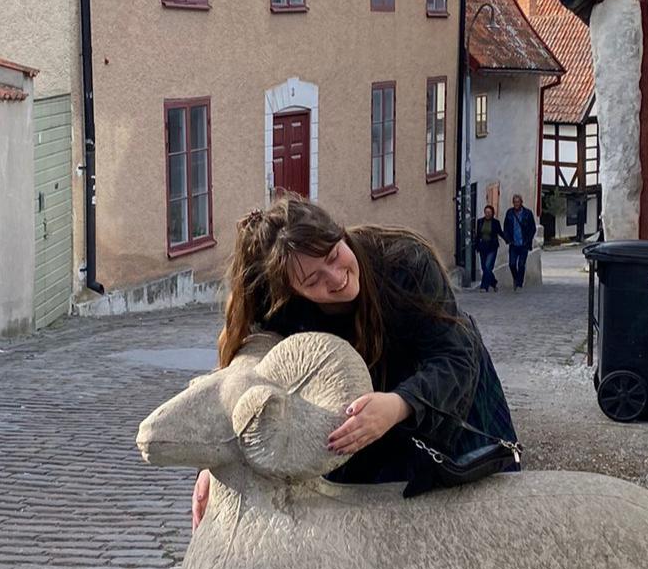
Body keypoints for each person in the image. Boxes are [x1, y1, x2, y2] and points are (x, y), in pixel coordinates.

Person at [191, 195, 519, 529]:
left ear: (340, 234)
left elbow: (454, 356)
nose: (335, 279)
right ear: (292, 291)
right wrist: (218, 464)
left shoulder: (406, 262)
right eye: (313, 281)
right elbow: (248, 375)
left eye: (334, 256)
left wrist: (399, 404)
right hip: (355, 420)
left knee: (477, 525)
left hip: (445, 400)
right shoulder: (278, 305)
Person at [502, 194, 538, 290]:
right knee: (512, 264)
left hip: (523, 243)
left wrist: (528, 240)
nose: (516, 204)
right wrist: (508, 239)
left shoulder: (527, 213)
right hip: (513, 243)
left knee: (521, 264)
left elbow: (532, 228)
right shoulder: (509, 213)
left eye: (518, 202)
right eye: (514, 202)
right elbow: (505, 227)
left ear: (521, 202)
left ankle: (519, 284)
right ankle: (516, 279)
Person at [473, 204, 506, 292]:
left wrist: (508, 240)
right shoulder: (480, 221)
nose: (487, 214)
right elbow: (477, 235)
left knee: (488, 266)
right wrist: (476, 246)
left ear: (492, 213)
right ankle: (494, 282)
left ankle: (484, 287)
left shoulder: (495, 222)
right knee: (484, 268)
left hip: (492, 247)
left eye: (489, 212)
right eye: (486, 212)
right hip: (482, 246)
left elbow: (500, 233)